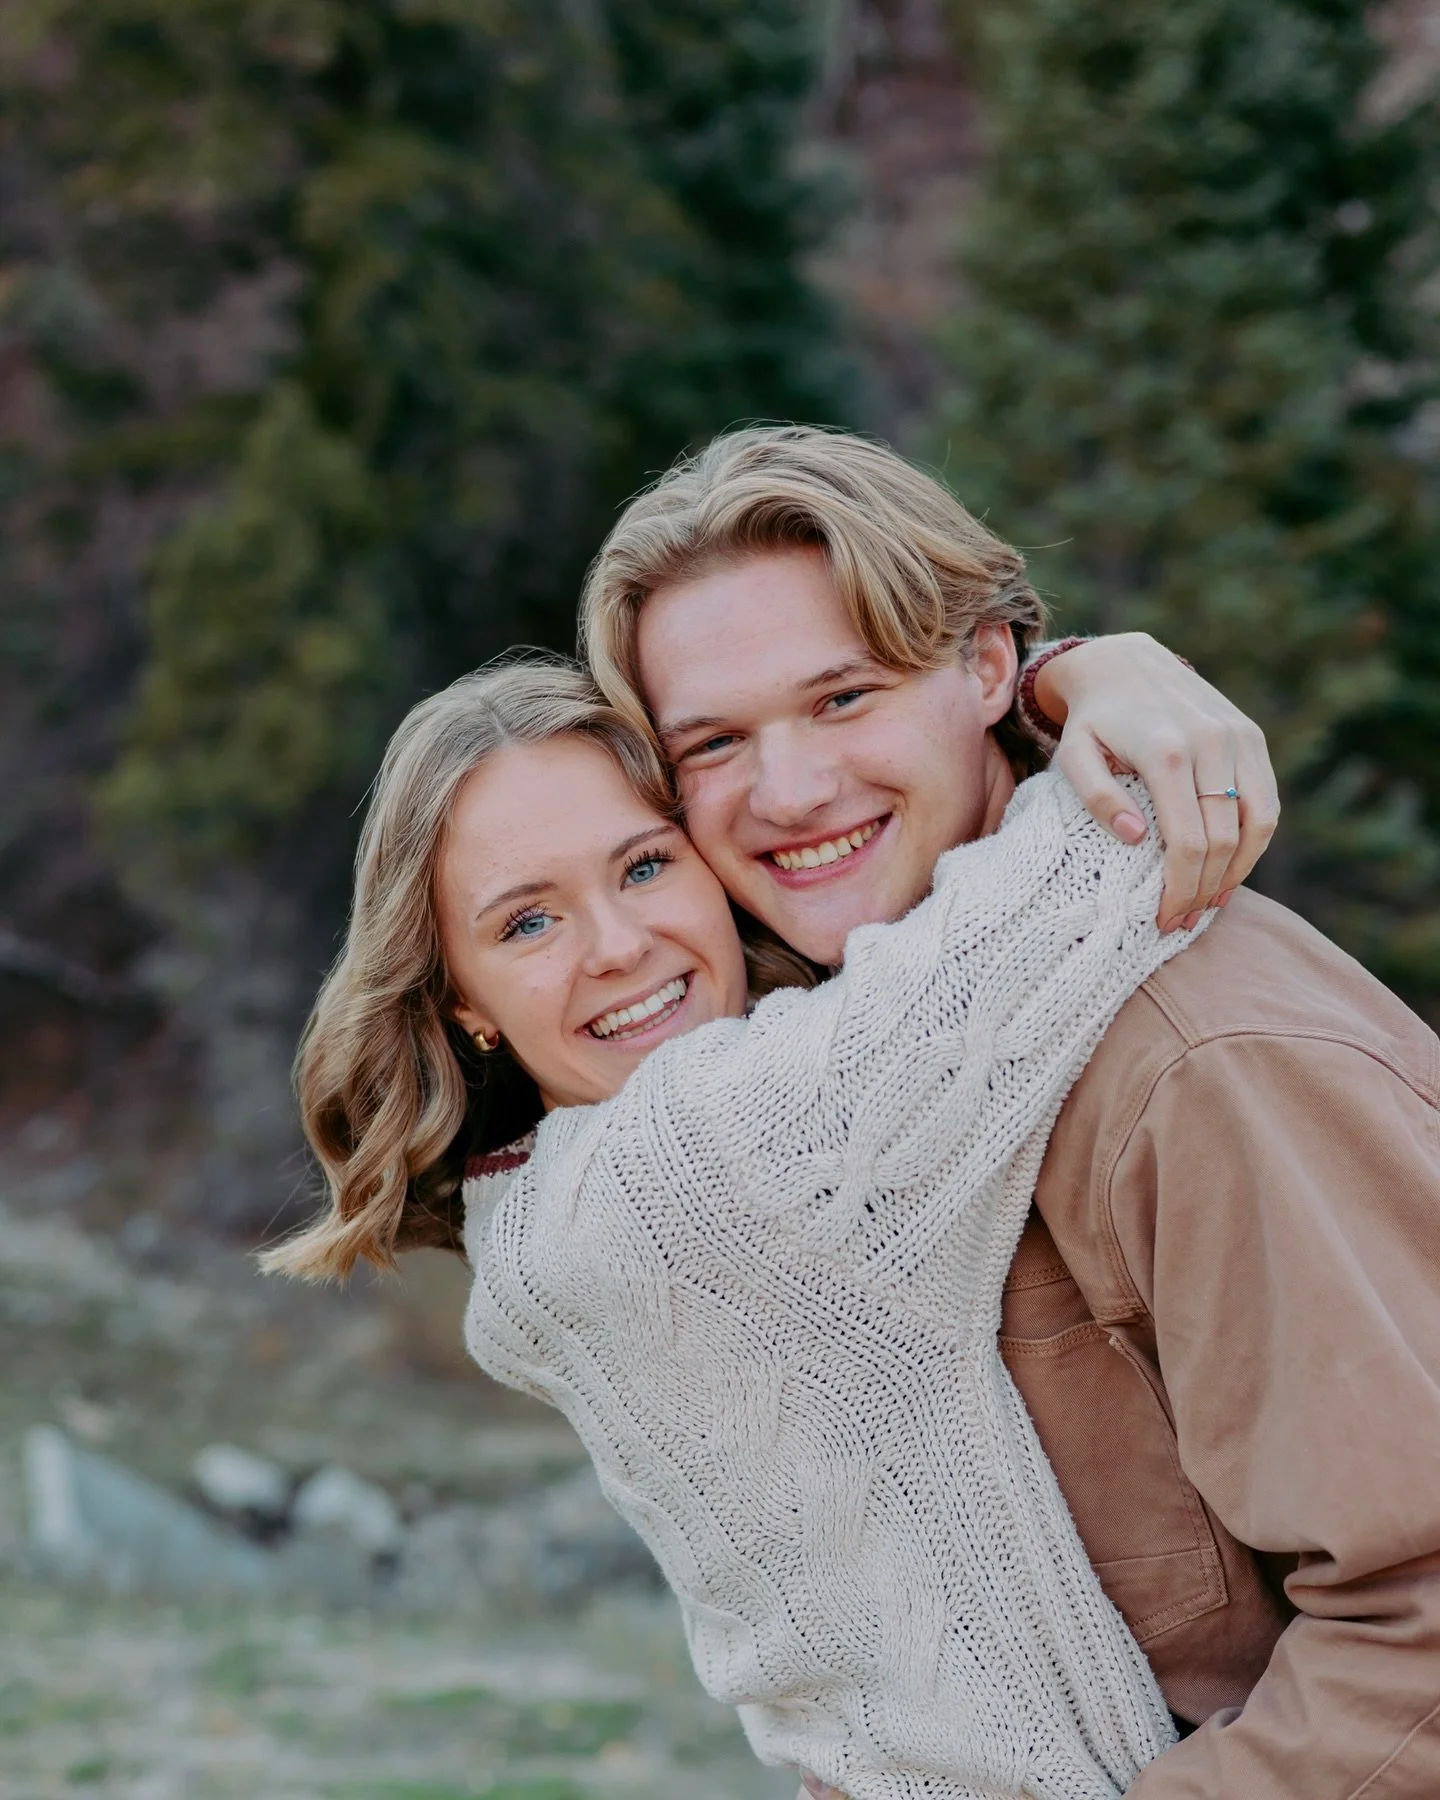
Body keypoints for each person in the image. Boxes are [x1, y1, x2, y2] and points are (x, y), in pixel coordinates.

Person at [573, 426, 1440, 1797]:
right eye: (716, 743)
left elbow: (1422, 1638)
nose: (789, 792)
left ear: (985, 669)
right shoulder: (832, 1069)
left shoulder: (1192, 1058)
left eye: (845, 698)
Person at [272, 655, 1211, 1800]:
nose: (618, 945)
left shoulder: (529, 1203)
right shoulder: (691, 1164)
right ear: (461, 997)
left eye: (645, 865)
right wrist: (1069, 681)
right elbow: (1123, 846)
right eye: (528, 922)